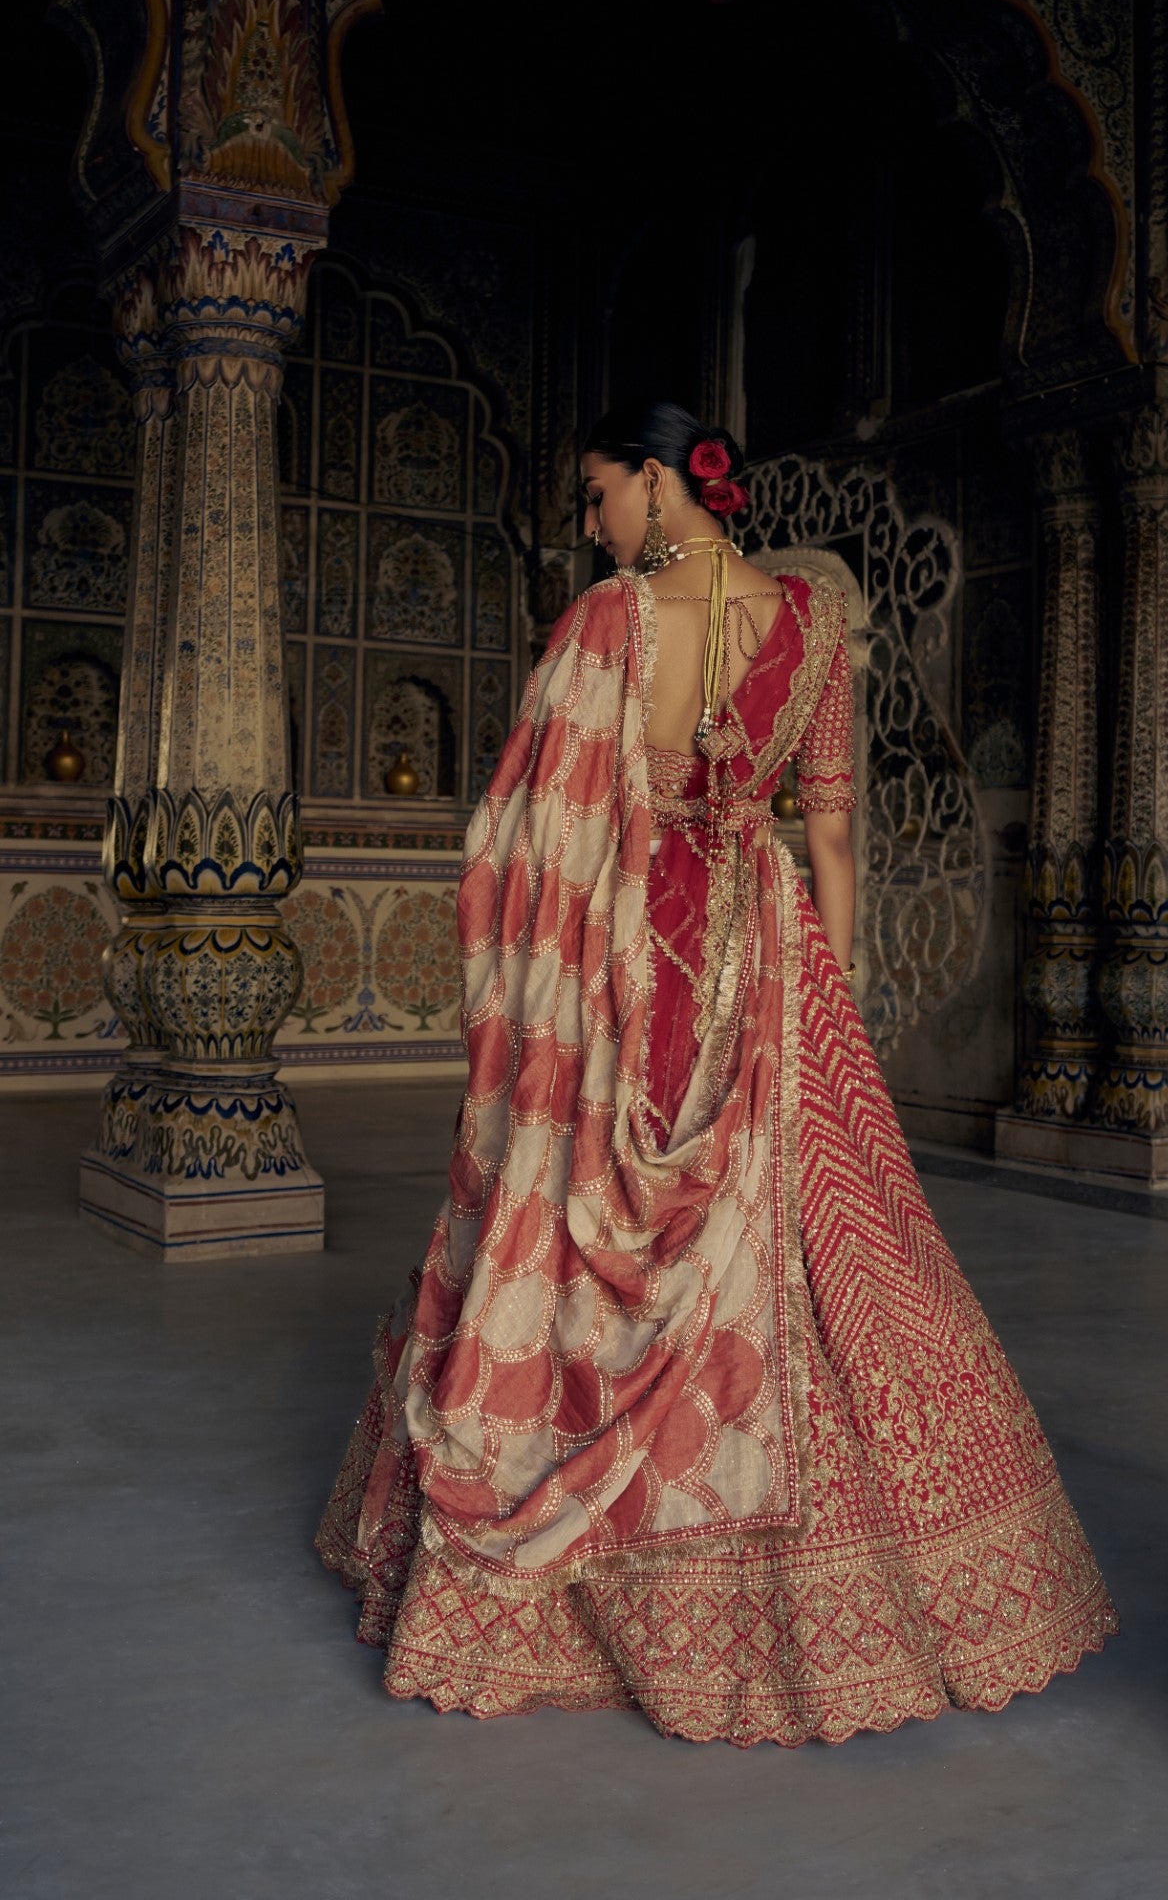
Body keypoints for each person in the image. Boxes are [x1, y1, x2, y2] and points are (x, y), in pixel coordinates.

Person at [317, 400, 1116, 1745]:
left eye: (597, 494)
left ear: (655, 482)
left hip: (628, 962)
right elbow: (835, 829)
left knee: (573, 1203)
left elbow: (525, 847)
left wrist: (534, 979)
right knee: (821, 1256)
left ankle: (580, 1547)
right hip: (767, 950)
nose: (591, 522)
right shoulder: (814, 625)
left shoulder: (611, 627)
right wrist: (833, 998)